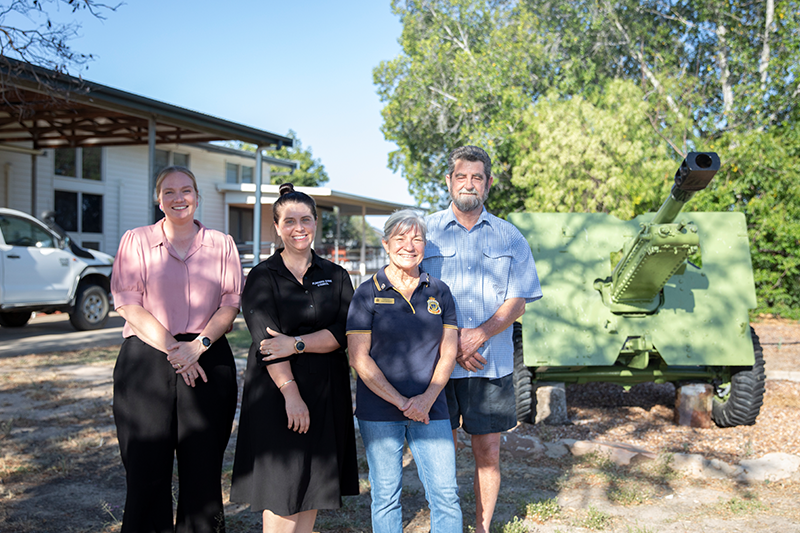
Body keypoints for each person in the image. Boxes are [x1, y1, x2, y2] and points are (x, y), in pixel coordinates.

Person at [111, 166, 243, 533]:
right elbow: (127, 303)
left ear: (198, 197)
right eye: (169, 192)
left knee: (202, 471)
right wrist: (175, 349)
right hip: (146, 361)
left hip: (208, 357)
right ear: (158, 200)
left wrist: (196, 347)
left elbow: (230, 305)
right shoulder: (135, 241)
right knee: (145, 470)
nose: (178, 198)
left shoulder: (223, 245)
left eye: (186, 190)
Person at [421, 146, 542, 533]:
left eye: (477, 177)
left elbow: (518, 300)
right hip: (437, 364)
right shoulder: (425, 234)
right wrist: (453, 344)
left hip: (491, 364)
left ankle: (483, 528)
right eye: (461, 176)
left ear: (488, 183)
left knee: (487, 452)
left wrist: (479, 335)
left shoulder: (510, 237)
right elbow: (410, 293)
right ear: (449, 182)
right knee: (441, 453)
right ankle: (447, 525)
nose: (468, 184)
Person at [230, 183, 359, 533]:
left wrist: (297, 343)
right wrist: (291, 395)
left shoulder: (336, 275)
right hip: (278, 395)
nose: (298, 227)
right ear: (276, 226)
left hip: (326, 393)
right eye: (289, 221)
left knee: (313, 488)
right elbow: (268, 343)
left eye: (306, 219)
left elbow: (342, 333)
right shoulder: (261, 277)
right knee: (283, 492)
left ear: (316, 223)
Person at [347, 209, 462, 533]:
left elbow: (448, 351)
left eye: (417, 239)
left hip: (432, 408)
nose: (409, 245)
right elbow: (359, 358)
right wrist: (401, 402)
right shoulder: (367, 292)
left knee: (445, 495)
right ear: (385, 243)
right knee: (385, 496)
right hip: (380, 410)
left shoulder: (439, 290)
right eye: (400, 238)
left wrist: (425, 400)